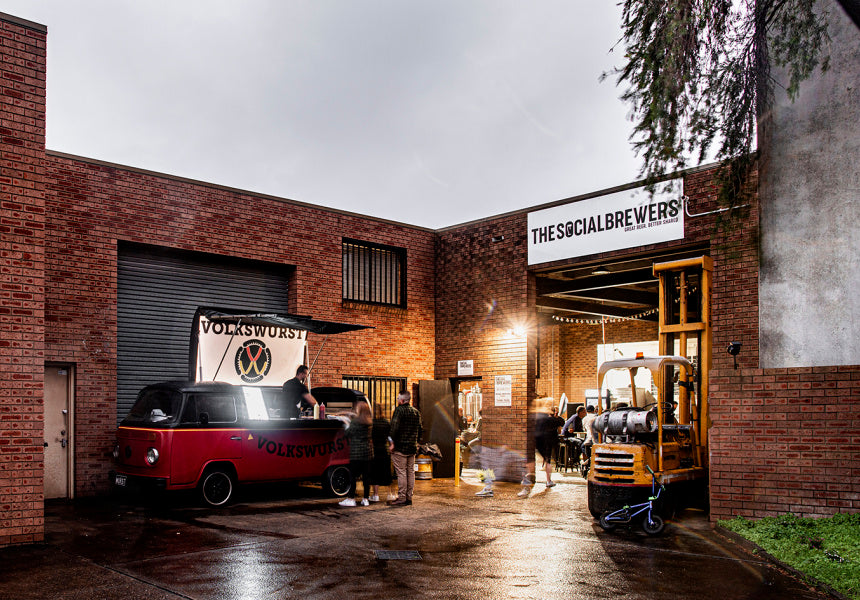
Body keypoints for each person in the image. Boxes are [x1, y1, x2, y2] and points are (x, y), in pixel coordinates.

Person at [387, 390, 423, 506]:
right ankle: (409, 497)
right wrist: (417, 442)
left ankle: (402, 497)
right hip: (412, 447)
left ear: (402, 400)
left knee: (401, 472)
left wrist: (391, 442)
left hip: (400, 448)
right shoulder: (416, 412)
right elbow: (420, 429)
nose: (397, 400)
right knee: (410, 472)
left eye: (398, 399)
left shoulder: (399, 411)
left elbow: (394, 428)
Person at [339, 400, 373, 507]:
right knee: (366, 477)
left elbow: (348, 433)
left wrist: (346, 423)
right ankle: (366, 499)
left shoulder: (355, 422)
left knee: (352, 476)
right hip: (368, 453)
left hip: (356, 453)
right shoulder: (369, 422)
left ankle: (351, 499)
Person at [368, 401, 397, 503]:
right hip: (384, 450)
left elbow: (370, 438)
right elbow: (390, 436)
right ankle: (390, 494)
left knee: (375, 473)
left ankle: (375, 495)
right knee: (386, 472)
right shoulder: (386, 422)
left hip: (374, 450)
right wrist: (391, 444)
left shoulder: (372, 423)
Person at [534, 403, 564, 488]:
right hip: (549, 441)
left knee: (546, 460)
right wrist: (556, 417)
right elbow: (562, 423)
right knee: (548, 461)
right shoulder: (554, 420)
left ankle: (546, 480)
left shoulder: (540, 419)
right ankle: (548, 480)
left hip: (540, 441)